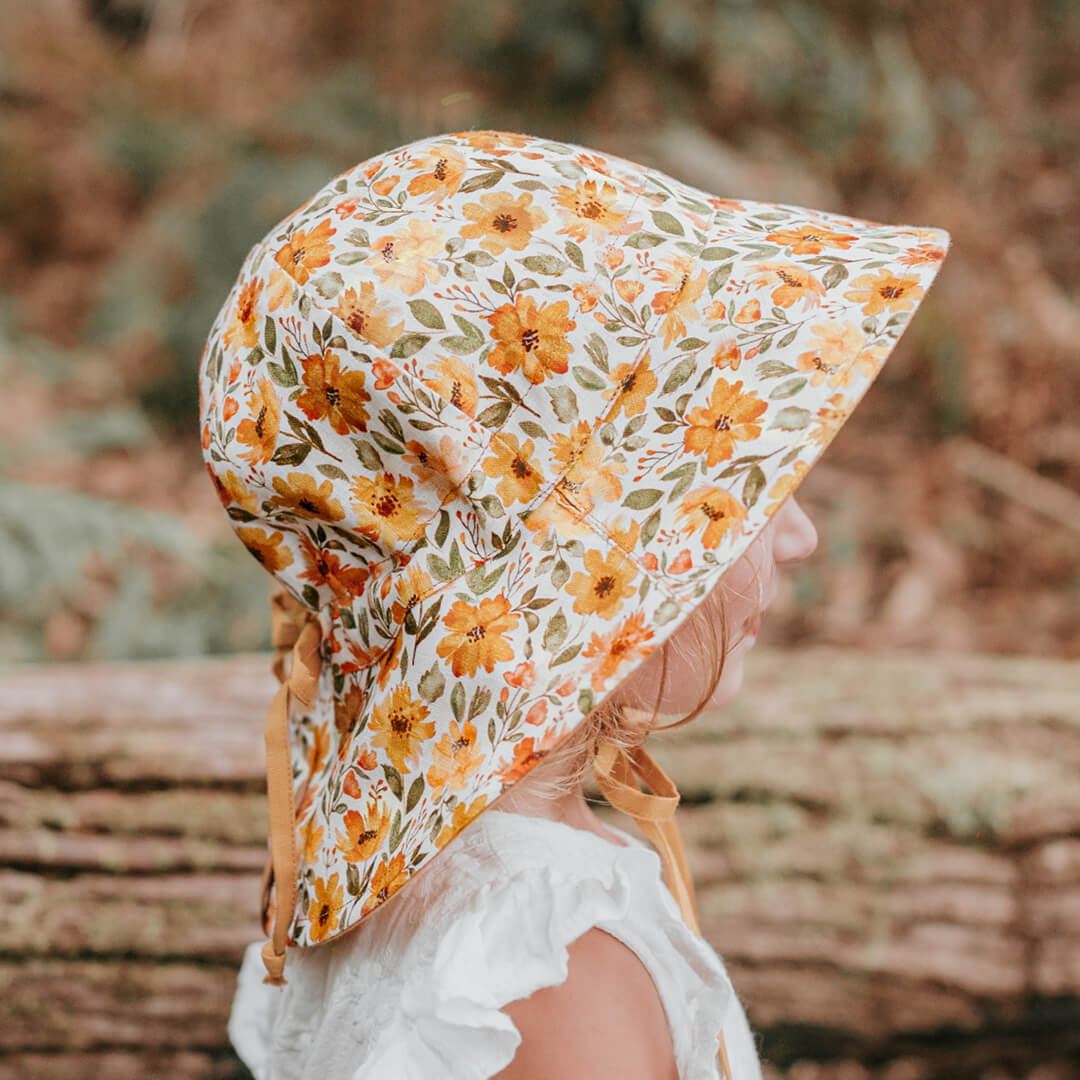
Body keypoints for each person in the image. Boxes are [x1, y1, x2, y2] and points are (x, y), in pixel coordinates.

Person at [199, 129, 949, 1079]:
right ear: (584, 565)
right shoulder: (553, 978)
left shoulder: (396, 881)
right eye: (739, 488)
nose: (796, 534)